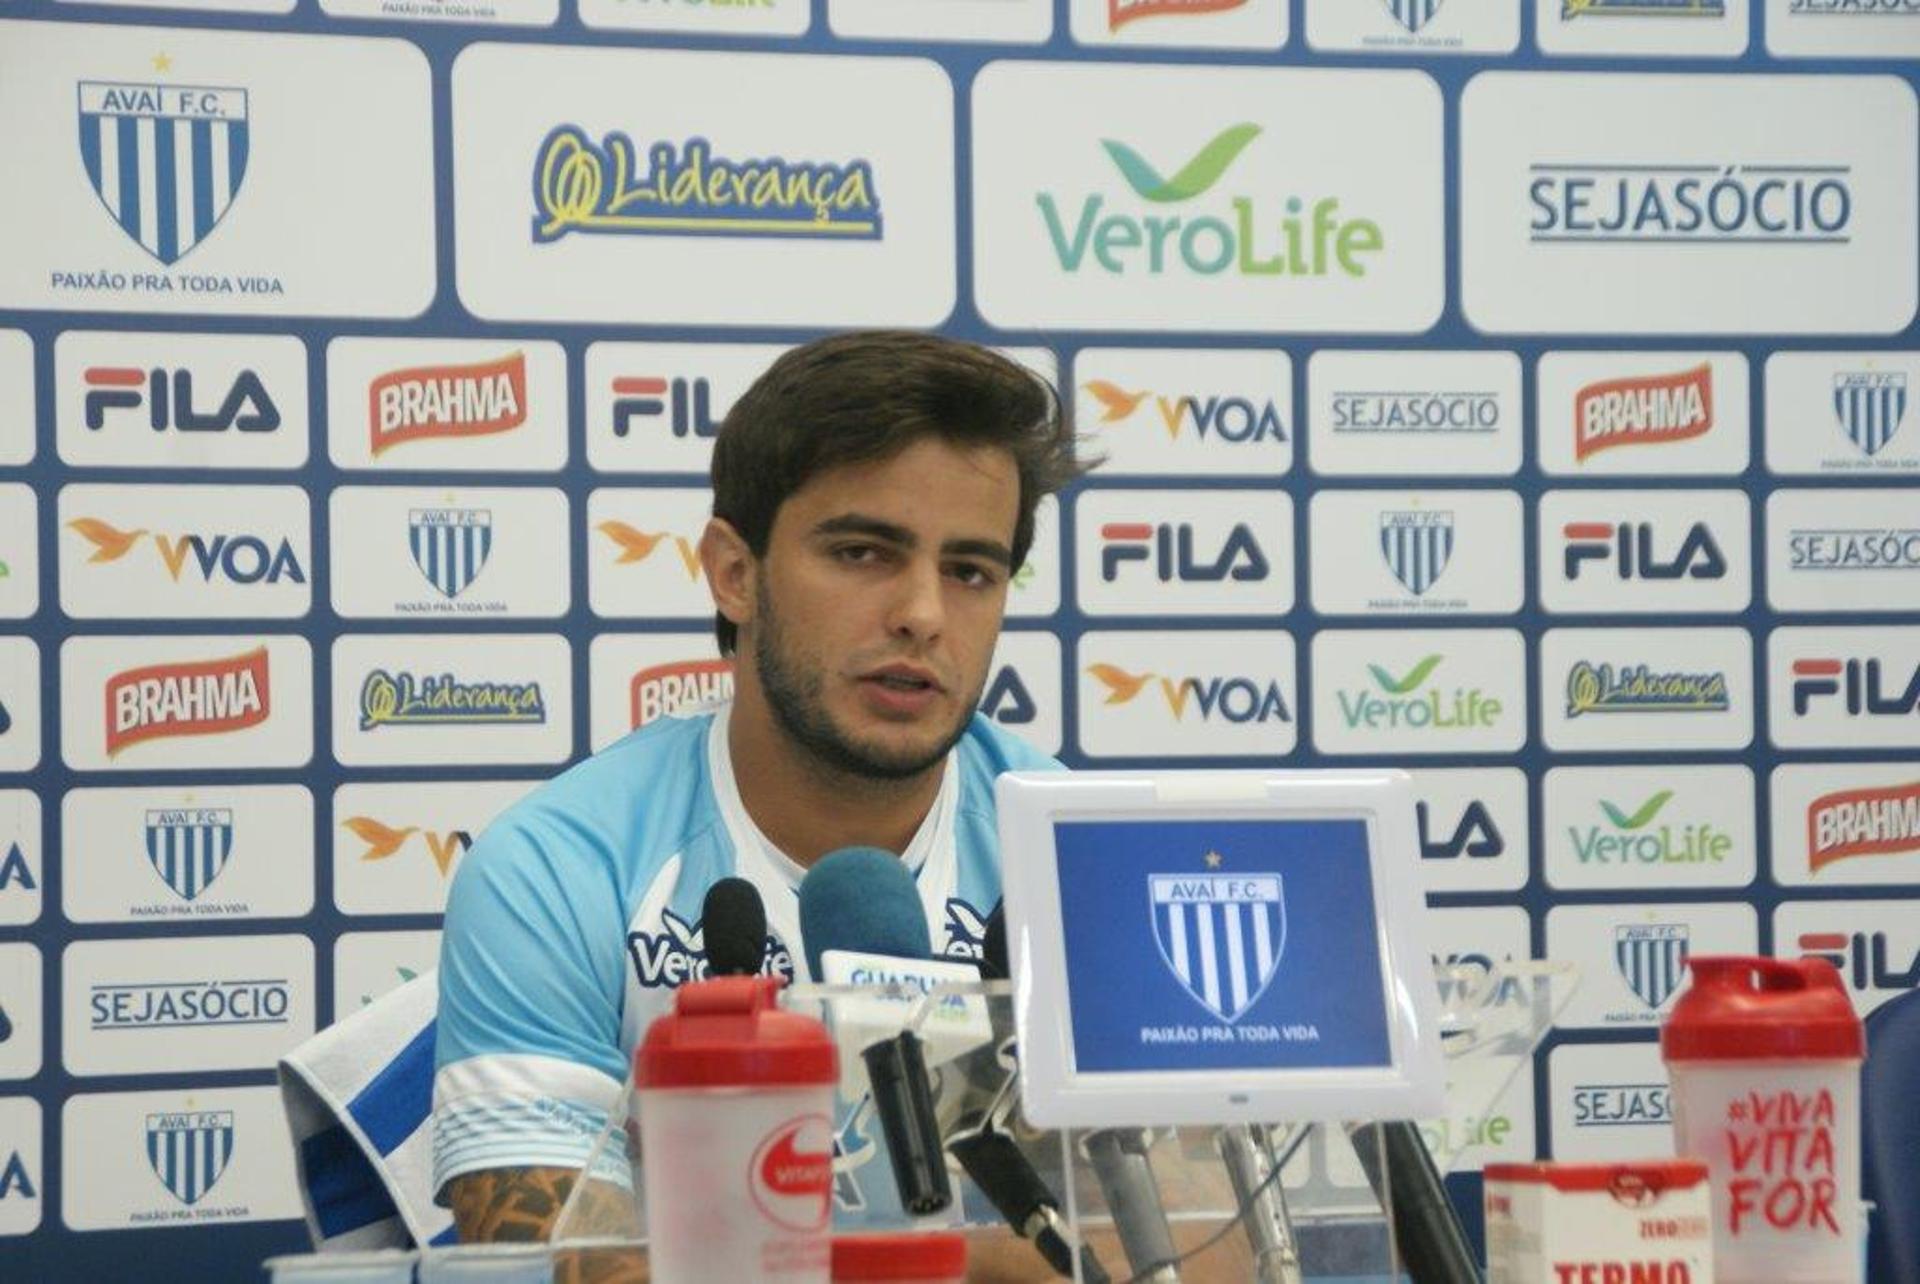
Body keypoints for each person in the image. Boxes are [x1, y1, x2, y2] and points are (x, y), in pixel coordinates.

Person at [431, 330, 1086, 1246]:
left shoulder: (1078, 855)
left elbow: (1194, 1244)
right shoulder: (551, 869)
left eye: (970, 571)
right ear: (736, 573)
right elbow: (549, 1262)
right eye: (863, 553)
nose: (924, 616)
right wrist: (960, 1268)